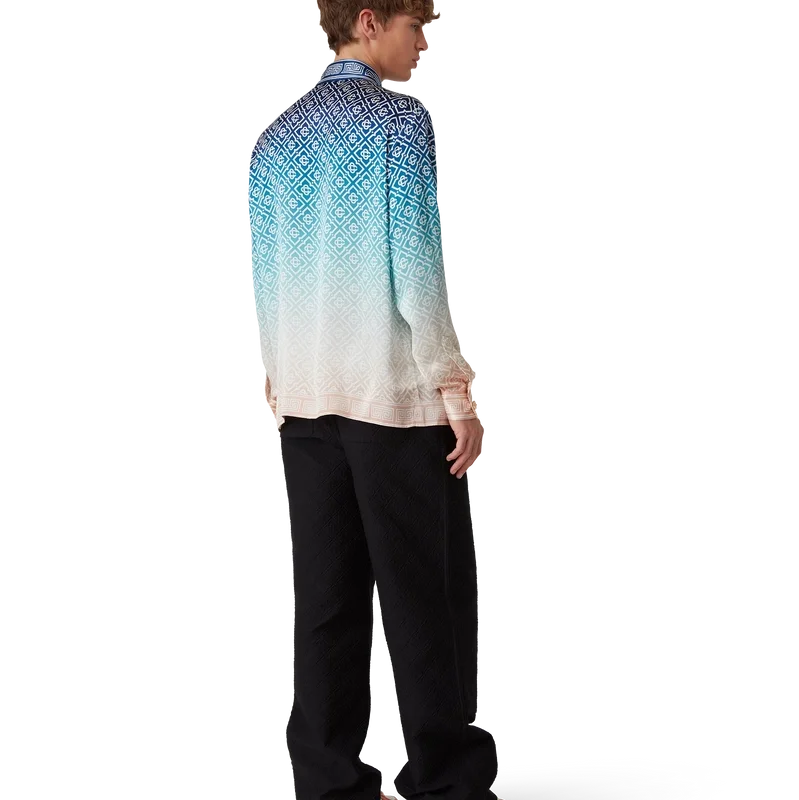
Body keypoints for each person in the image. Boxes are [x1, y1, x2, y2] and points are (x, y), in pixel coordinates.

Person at [247, 3, 499, 798]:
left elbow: (266, 277)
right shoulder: (395, 123)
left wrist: (280, 385)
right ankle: (444, 779)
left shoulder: (275, 136)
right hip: (390, 401)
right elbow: (417, 269)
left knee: (325, 597)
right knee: (426, 593)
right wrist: (456, 389)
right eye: (414, 26)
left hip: (306, 400)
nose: (423, 44)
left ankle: (328, 780)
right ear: (366, 21)